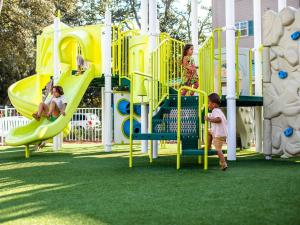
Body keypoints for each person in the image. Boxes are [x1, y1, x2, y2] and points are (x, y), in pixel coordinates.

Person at [204, 93, 228, 171]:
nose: (207, 104)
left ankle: (223, 163)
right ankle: (208, 146)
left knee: (218, 149)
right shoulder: (218, 110)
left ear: (213, 104)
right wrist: (209, 117)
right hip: (219, 132)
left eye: (208, 102)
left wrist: (209, 119)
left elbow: (218, 119)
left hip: (219, 134)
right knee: (208, 132)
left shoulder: (215, 111)